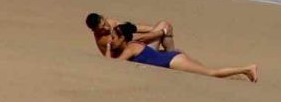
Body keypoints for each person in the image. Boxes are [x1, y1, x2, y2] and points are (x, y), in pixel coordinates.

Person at [109, 23, 258, 82]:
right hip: (171, 58)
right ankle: (237, 75)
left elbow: (115, 64)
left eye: (114, 38)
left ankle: (247, 68)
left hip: (172, 61)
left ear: (123, 38)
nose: (111, 40)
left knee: (212, 73)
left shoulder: (130, 48)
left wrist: (109, 49)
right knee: (208, 71)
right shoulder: (133, 45)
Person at [85, 12, 175, 57]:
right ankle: (172, 55)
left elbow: (131, 28)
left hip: (137, 48)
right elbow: (135, 41)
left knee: (163, 25)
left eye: (104, 24)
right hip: (134, 57)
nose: (106, 28)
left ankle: (171, 54)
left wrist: (154, 29)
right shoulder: (103, 40)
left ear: (104, 18)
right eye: (101, 29)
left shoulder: (110, 22)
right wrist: (161, 32)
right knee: (164, 26)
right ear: (94, 31)